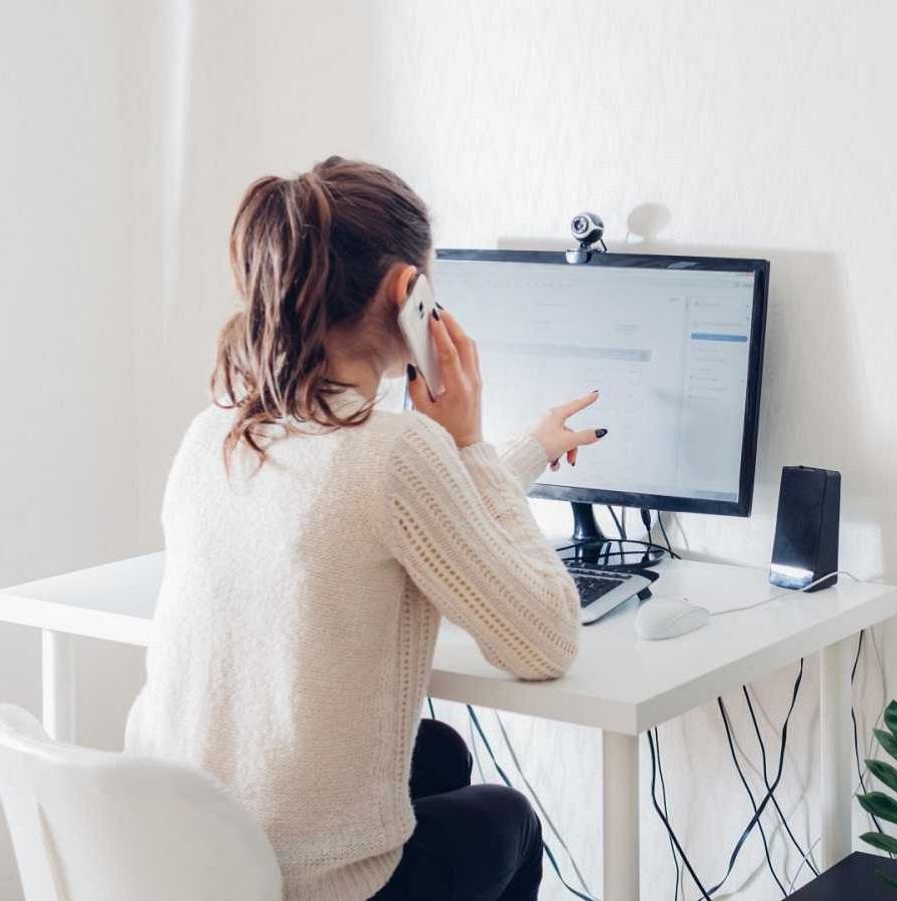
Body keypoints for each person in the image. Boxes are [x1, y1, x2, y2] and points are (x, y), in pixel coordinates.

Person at [124, 156, 601, 901]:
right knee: (510, 819)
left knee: (436, 753)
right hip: (305, 884)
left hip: (189, 859)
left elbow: (418, 520)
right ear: (408, 292)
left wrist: (527, 449)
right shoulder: (397, 451)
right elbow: (547, 639)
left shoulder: (214, 432)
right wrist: (467, 443)